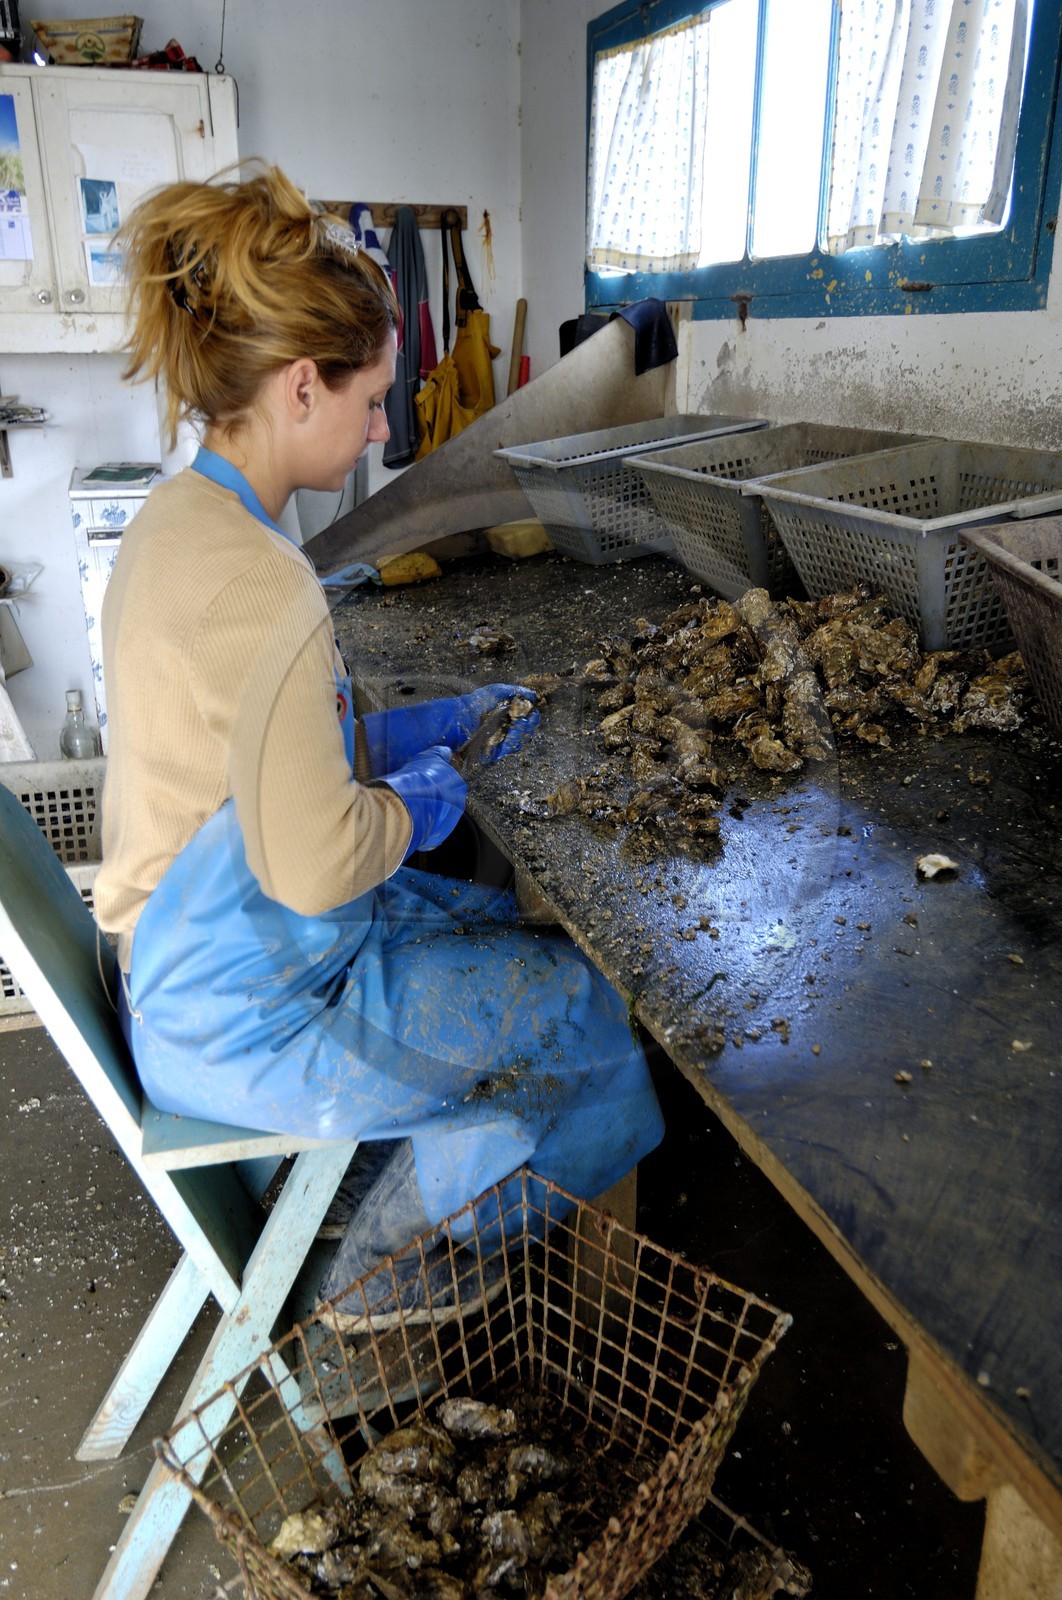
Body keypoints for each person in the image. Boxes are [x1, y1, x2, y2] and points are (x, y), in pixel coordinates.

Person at [94, 163, 664, 1330]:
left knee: (505, 935)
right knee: (588, 1019)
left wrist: (401, 730)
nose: (379, 431)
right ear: (302, 387)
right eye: (369, 402)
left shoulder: (175, 523)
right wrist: (422, 799)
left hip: (185, 960)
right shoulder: (267, 586)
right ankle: (390, 1283)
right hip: (244, 1011)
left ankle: (432, 1175)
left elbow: (244, 754)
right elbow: (318, 861)